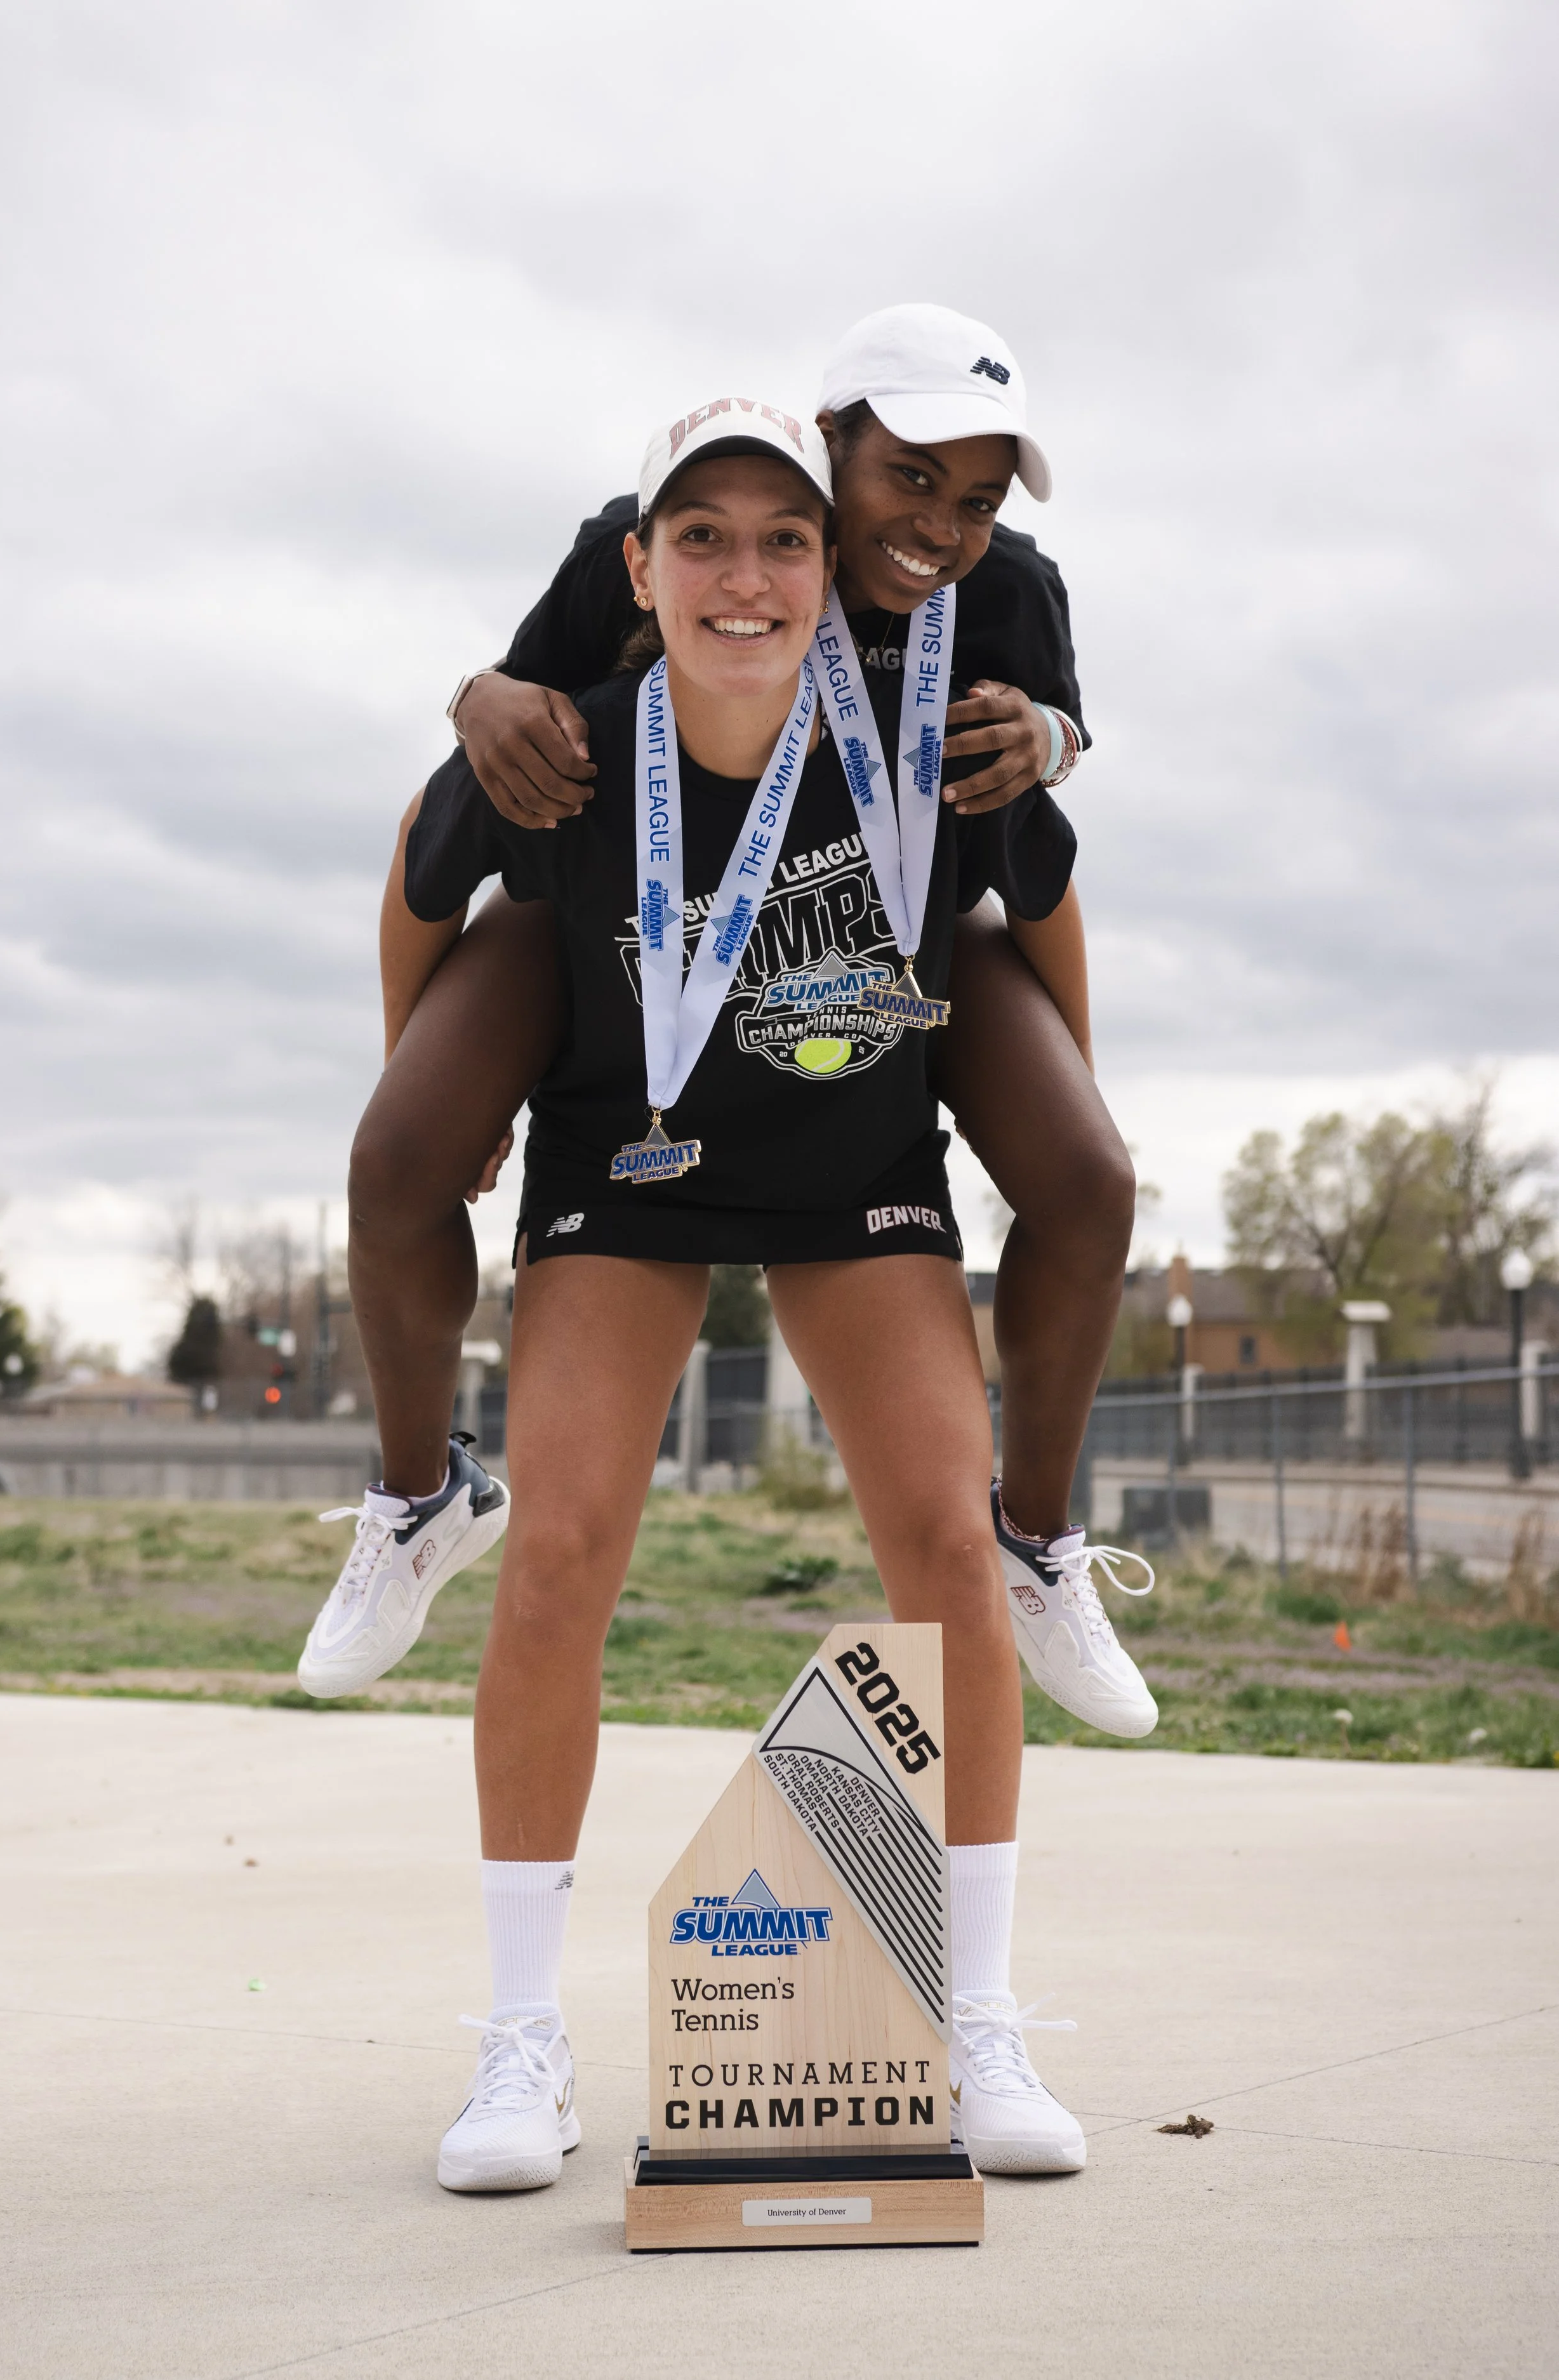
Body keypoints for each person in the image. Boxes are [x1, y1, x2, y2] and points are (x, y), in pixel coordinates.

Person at [392, 399, 1098, 2192]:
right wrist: (437, 1090)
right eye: (699, 537)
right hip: (629, 1162)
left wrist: (1050, 1126)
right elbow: (416, 880)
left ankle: (978, 2011)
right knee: (557, 1547)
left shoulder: (932, 720)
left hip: (853, 1165)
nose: (745, 570)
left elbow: (1045, 902)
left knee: (948, 1545)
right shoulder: (567, 732)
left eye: (783, 540)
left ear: (829, 567)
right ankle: (518, 2044)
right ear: (636, 565)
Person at [314, 306, 1157, 1740]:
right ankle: (415, 1501)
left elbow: (1043, 824)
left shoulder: (1005, 593)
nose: (937, 527)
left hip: (886, 924)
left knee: (1086, 1178)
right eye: (907, 480)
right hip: (618, 926)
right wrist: (474, 698)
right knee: (395, 1156)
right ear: (829, 451)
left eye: (975, 497)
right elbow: (492, 741)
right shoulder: (664, 546)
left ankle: (1031, 1538)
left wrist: (1059, 749)